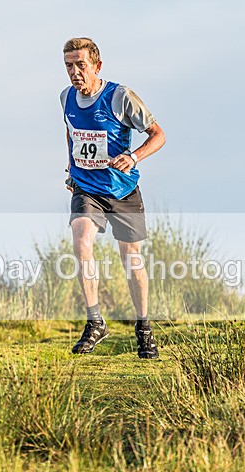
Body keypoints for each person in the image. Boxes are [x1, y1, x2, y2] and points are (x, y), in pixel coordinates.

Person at [60, 37, 166, 359]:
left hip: (122, 188)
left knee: (131, 258)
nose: (75, 72)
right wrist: (71, 164)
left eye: (81, 65)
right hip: (86, 187)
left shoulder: (119, 97)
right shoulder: (65, 98)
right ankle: (95, 322)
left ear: (97, 66)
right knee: (81, 241)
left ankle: (143, 326)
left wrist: (133, 157)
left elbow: (158, 135)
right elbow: (70, 130)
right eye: (69, 66)